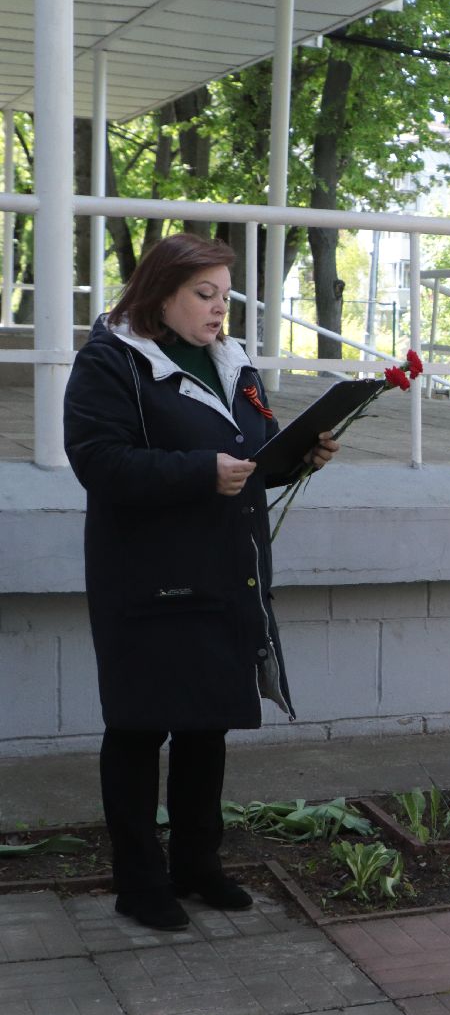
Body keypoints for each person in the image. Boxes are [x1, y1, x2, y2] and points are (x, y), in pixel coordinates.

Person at [63, 233, 338, 931]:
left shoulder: (232, 361)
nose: (220, 310)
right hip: (148, 579)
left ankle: (197, 865)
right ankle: (138, 881)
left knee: (206, 724)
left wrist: (299, 456)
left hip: (223, 571)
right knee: (139, 727)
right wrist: (200, 471)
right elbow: (100, 463)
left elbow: (254, 456)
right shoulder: (111, 361)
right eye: (204, 295)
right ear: (162, 294)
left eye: (225, 295)